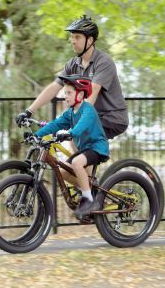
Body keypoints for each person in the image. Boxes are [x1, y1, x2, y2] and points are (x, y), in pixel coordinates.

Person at [16, 15, 128, 140]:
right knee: (71, 141)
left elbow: (92, 93)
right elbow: (54, 87)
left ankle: (85, 158)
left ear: (90, 40)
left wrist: (76, 119)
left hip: (111, 118)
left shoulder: (103, 61)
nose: (72, 41)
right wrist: (29, 110)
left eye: (77, 37)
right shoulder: (72, 64)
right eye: (72, 37)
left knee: (76, 138)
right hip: (91, 115)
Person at [33, 75, 109, 217]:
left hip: (97, 148)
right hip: (85, 150)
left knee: (76, 162)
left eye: (69, 93)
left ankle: (88, 199)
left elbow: (81, 126)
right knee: (62, 172)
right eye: (64, 93)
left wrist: (70, 133)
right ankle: (89, 189)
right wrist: (37, 135)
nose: (65, 96)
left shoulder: (88, 110)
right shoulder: (69, 113)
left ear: (80, 94)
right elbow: (55, 124)